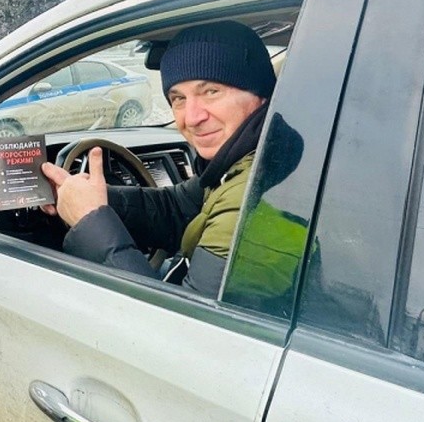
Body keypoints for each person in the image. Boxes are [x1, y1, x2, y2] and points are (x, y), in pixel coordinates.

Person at [41, 21, 275, 297]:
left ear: (260, 95)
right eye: (178, 99)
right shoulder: (245, 161)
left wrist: (90, 220)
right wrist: (93, 197)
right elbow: (177, 208)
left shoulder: (257, 193)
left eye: (211, 91)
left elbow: (181, 329)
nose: (192, 117)